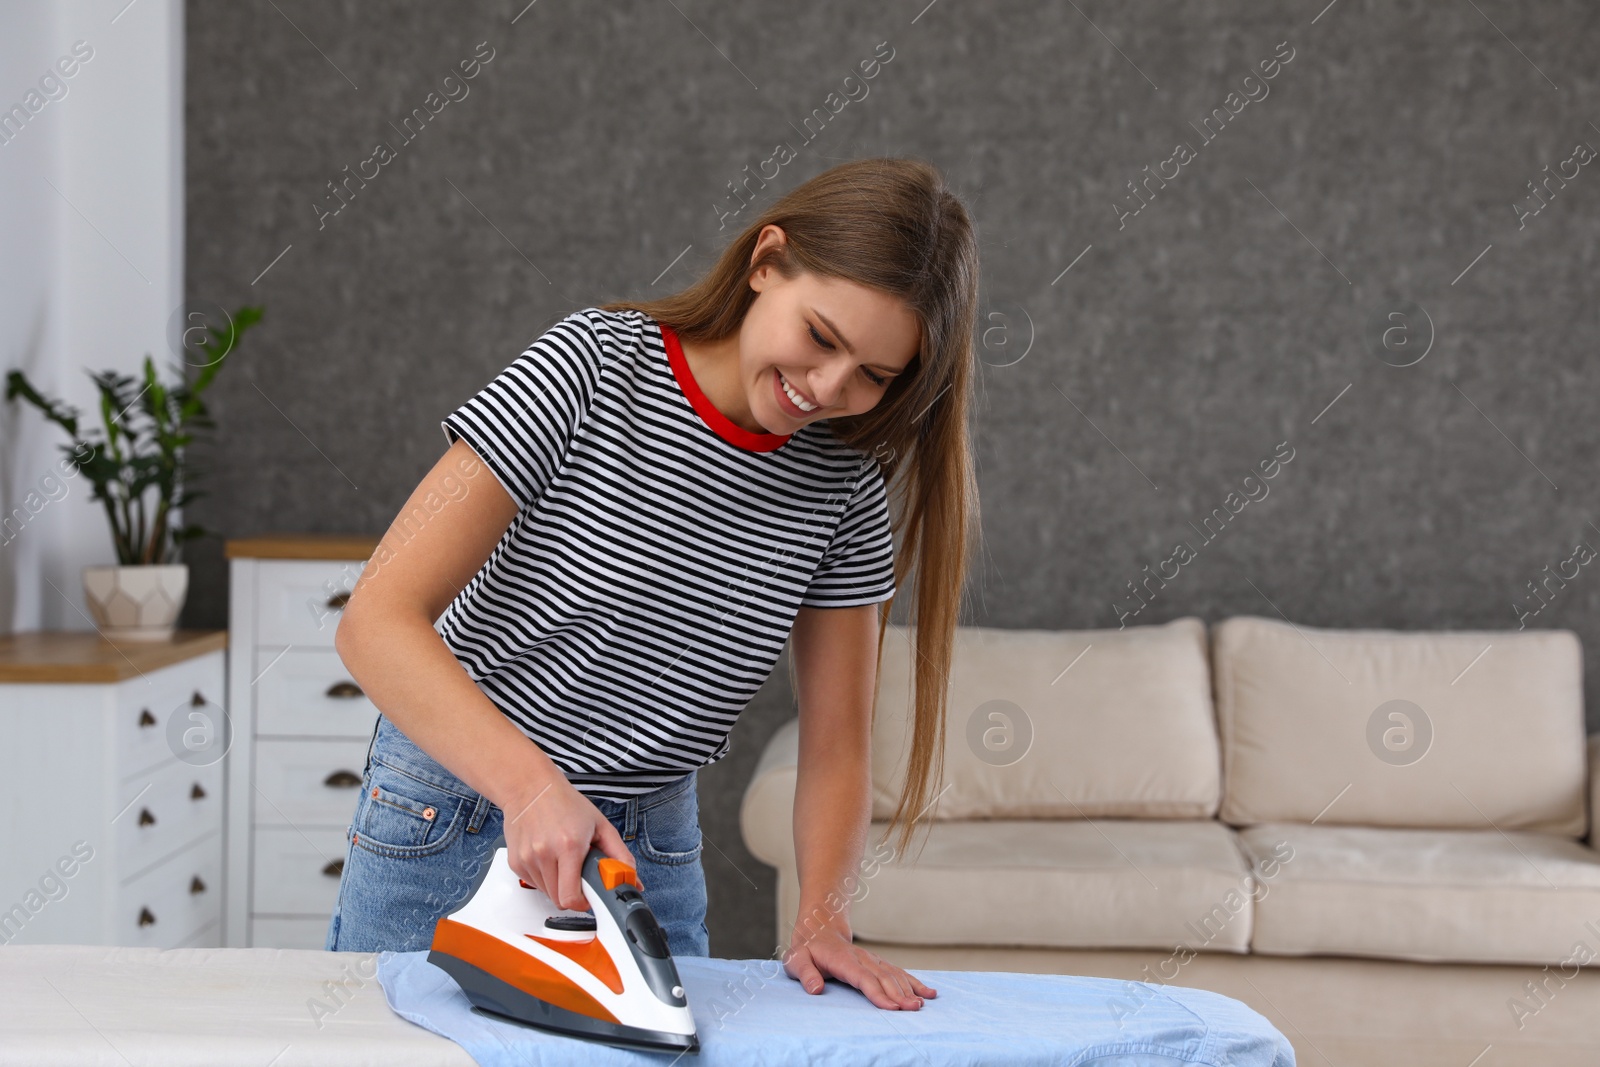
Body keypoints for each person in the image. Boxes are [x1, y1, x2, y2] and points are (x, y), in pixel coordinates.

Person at [324, 156, 981, 1012]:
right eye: (821, 337)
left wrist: (825, 920)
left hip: (645, 845)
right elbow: (375, 620)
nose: (826, 389)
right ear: (765, 262)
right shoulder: (589, 367)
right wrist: (531, 789)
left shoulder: (847, 487)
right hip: (453, 812)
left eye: (873, 376)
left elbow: (836, 743)